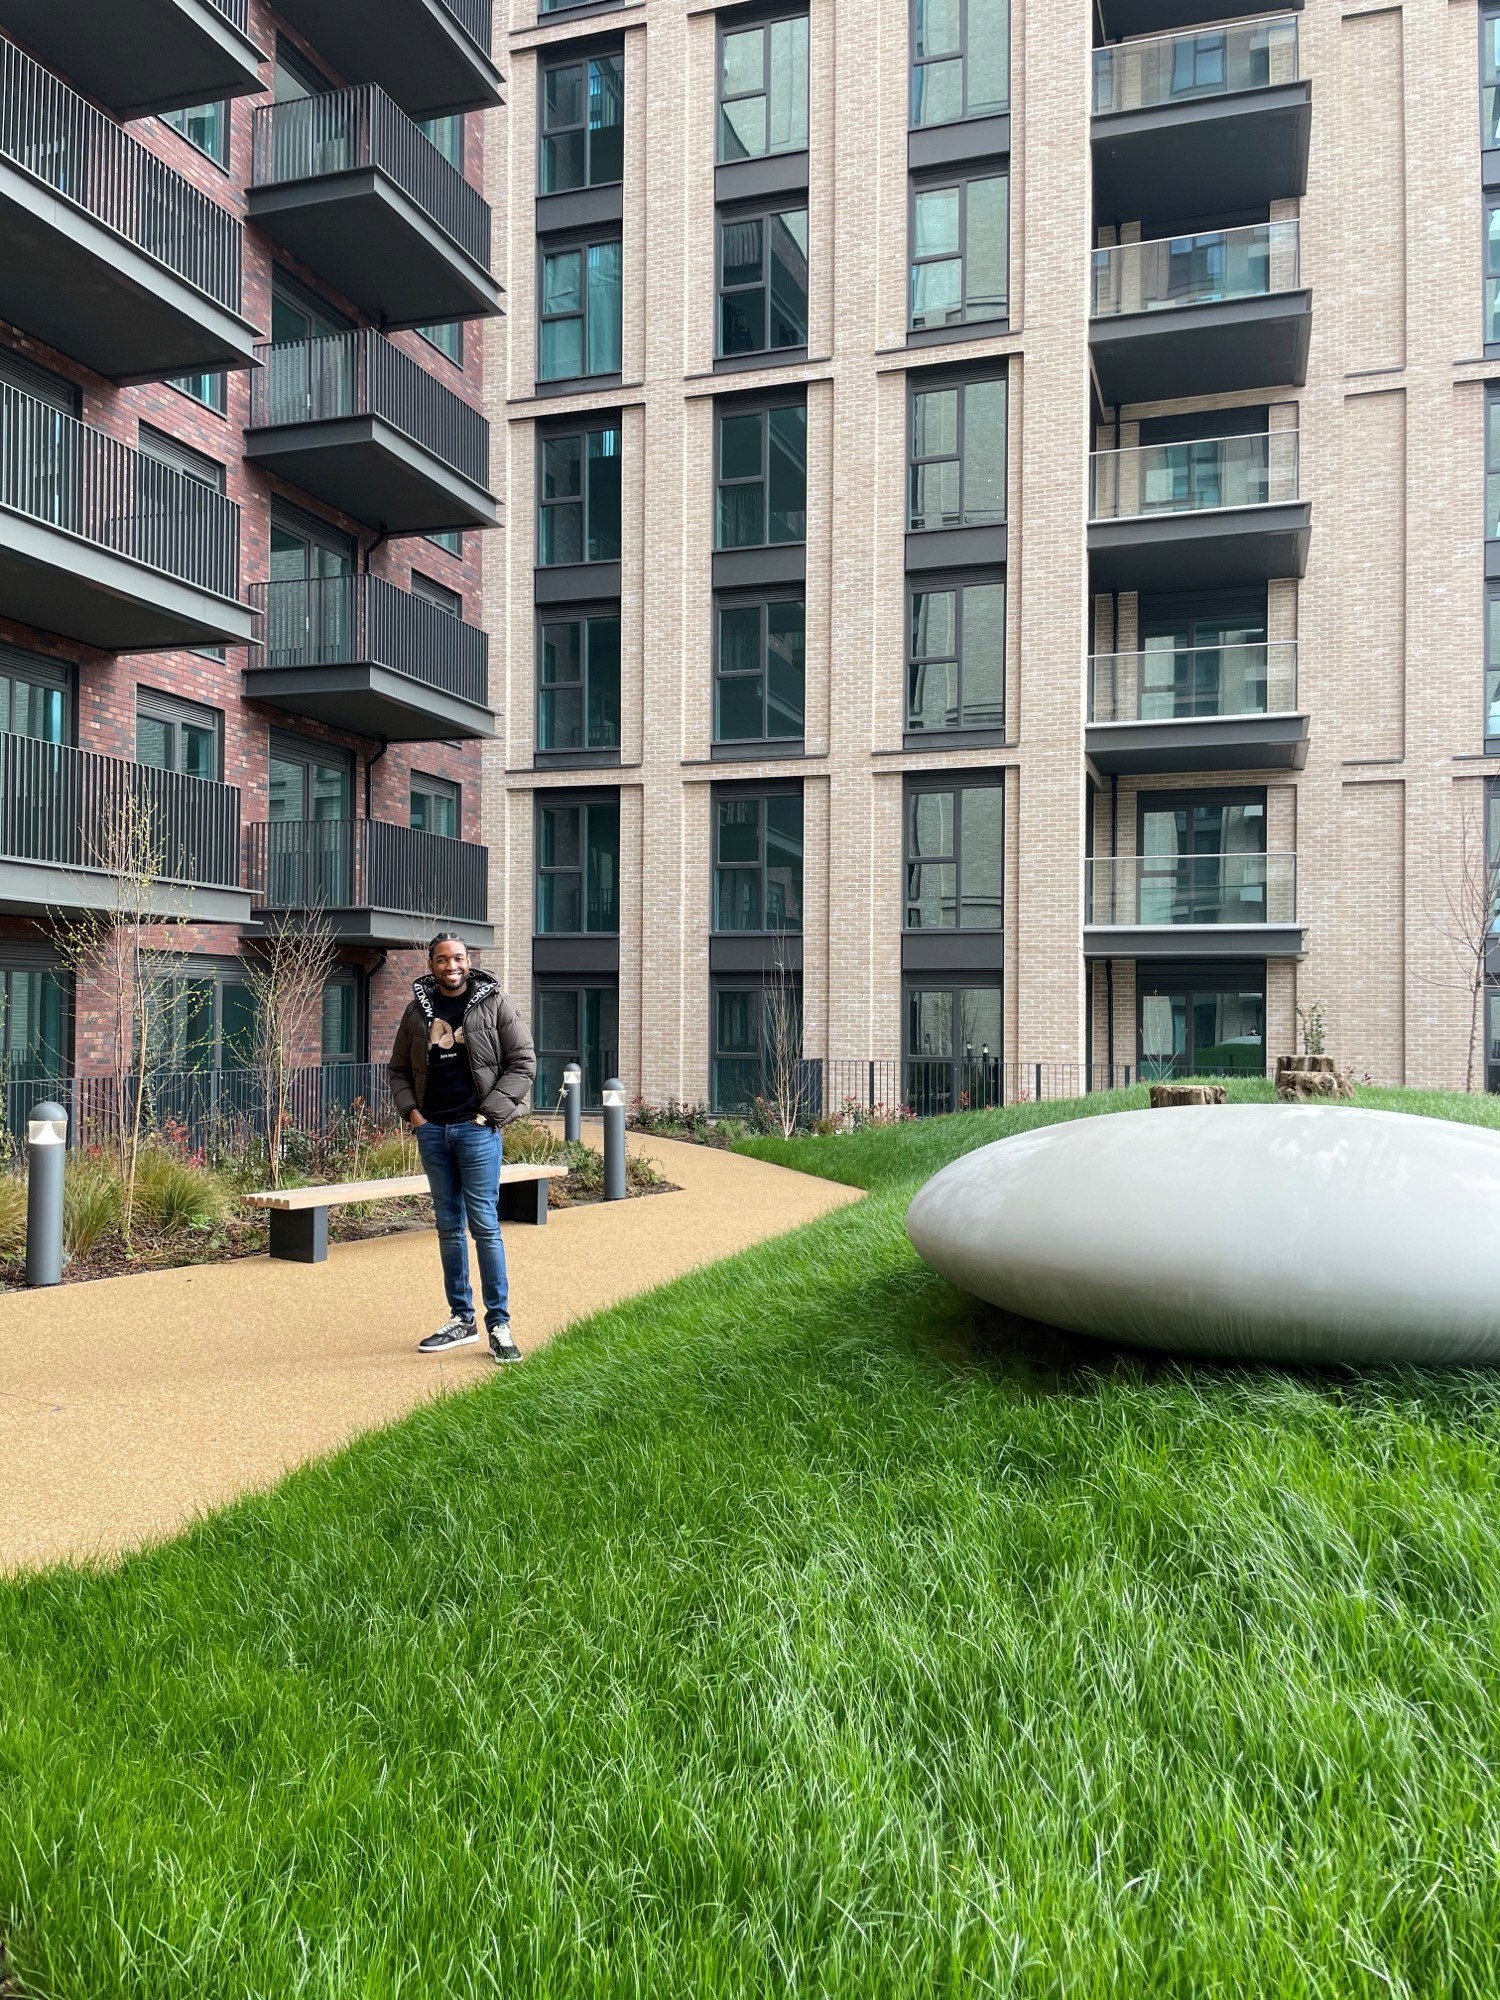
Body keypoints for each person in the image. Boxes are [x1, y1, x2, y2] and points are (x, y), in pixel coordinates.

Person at [389, 933, 537, 1363]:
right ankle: (461, 1319)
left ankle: (499, 1325)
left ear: (468, 962)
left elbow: (523, 1062)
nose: (450, 965)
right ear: (431, 964)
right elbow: (398, 1068)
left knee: (485, 1227)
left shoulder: (496, 1004)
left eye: (458, 958)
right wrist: (414, 1115)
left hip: (477, 1131)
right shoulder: (417, 1011)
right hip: (433, 1132)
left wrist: (488, 1115)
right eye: (441, 959)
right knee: (448, 1228)